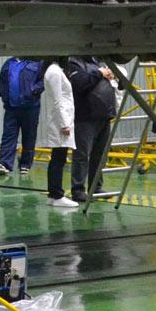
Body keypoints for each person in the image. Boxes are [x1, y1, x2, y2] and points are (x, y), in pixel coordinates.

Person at [67, 56, 119, 203]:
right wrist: (100, 73)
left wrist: (111, 75)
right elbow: (80, 84)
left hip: (104, 116)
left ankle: (96, 186)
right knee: (82, 155)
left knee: (100, 155)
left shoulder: (100, 61)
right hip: (85, 117)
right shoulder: (74, 63)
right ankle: (78, 190)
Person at [37, 59, 77, 209]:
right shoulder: (54, 72)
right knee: (58, 159)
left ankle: (54, 194)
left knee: (58, 158)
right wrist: (64, 124)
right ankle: (57, 195)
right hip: (60, 122)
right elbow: (57, 101)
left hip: (62, 120)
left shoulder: (55, 70)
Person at [0, 56, 44, 176]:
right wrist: (3, 96)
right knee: (8, 136)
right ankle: (4, 164)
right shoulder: (8, 64)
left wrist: (34, 90)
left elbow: (43, 80)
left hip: (30, 107)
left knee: (29, 136)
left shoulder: (36, 63)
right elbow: (2, 81)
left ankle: (25, 165)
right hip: (11, 107)